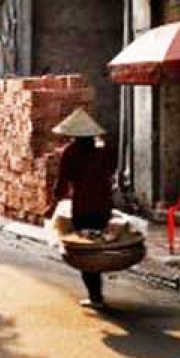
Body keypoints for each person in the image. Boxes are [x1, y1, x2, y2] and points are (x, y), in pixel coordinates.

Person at [45, 108, 115, 309]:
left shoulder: (71, 152)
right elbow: (111, 170)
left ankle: (95, 296)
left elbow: (62, 182)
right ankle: (97, 291)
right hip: (103, 206)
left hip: (83, 208)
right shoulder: (103, 151)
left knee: (86, 252)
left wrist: (53, 204)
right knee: (97, 244)